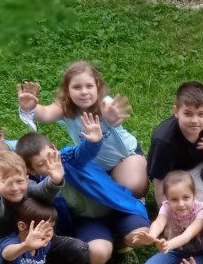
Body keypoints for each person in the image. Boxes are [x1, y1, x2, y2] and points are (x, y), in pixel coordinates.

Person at [15, 112, 150, 264]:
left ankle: (121, 243)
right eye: (41, 164)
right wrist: (55, 180)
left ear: (54, 148)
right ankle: (107, 242)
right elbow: (37, 192)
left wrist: (94, 141)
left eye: (51, 156)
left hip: (115, 208)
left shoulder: (69, 158)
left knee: (141, 234)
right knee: (98, 255)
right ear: (32, 170)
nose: (50, 164)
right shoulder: (39, 184)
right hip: (87, 221)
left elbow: (84, 151)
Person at [16, 60, 147, 196]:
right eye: (77, 87)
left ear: (97, 87)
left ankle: (133, 172)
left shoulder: (104, 103)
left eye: (89, 86)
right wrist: (29, 108)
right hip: (93, 164)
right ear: (67, 90)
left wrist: (112, 117)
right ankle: (112, 181)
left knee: (134, 187)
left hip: (124, 157)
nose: (84, 92)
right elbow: (45, 113)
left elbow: (114, 117)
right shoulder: (65, 108)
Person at [132, 171, 203, 264]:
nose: (181, 204)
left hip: (201, 253)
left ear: (194, 194)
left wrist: (167, 245)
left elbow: (188, 234)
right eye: (174, 199)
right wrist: (152, 235)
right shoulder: (167, 206)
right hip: (176, 250)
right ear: (167, 198)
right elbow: (159, 222)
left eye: (186, 197)